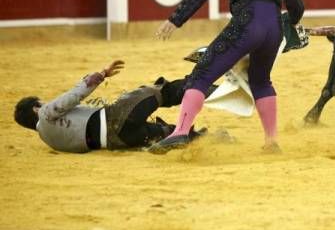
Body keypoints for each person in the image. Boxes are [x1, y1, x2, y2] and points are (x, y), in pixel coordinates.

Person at [149, 0, 305, 154]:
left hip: (247, 24)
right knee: (261, 81)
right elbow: (297, 8)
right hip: (273, 30)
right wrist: (288, 26)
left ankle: (181, 131)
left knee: (201, 74)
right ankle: (271, 141)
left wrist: (176, 19)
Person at [12, 60, 198, 153]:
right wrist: (101, 74)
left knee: (173, 135)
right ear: (36, 108)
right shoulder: (45, 113)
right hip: (116, 119)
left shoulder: (49, 141)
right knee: (161, 92)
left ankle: (211, 140)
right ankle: (205, 85)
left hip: (119, 142)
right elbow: (74, 96)